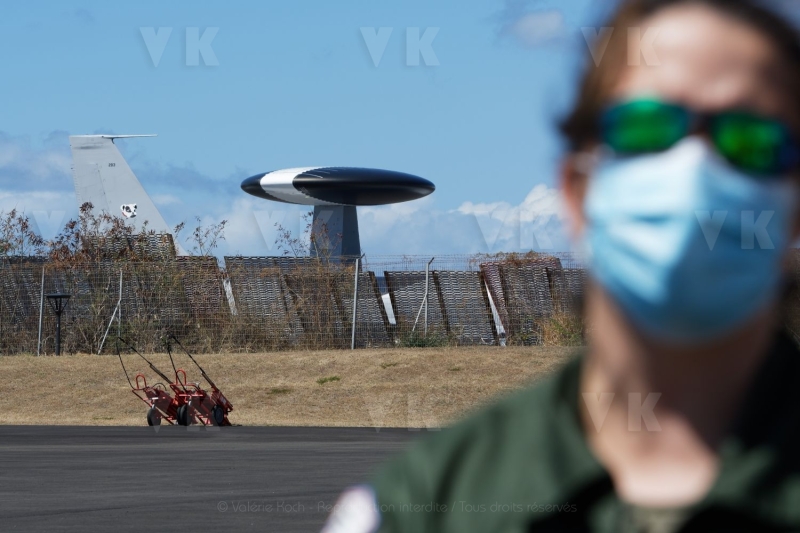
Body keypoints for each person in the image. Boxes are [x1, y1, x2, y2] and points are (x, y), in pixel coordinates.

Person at [322, 0, 800, 531]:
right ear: (577, 191)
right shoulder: (429, 502)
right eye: (644, 128)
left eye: (751, 141)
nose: (694, 168)